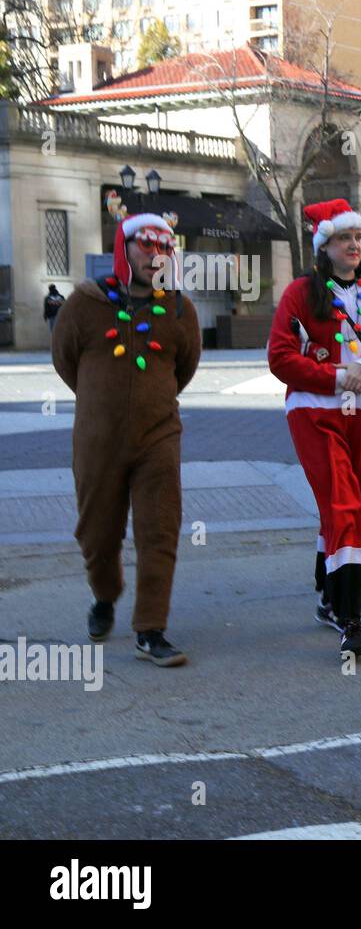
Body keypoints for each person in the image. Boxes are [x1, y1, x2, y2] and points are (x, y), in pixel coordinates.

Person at [267, 199, 361, 660]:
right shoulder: (299, 294)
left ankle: (327, 595)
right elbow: (280, 356)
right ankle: (351, 618)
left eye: (357, 237)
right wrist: (332, 376)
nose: (353, 244)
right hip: (315, 410)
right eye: (343, 238)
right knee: (344, 504)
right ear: (323, 245)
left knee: (357, 505)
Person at [52, 213, 200, 666]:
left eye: (163, 248)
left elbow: (185, 367)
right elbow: (65, 359)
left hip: (158, 436)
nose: (155, 255)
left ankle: (150, 630)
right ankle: (105, 595)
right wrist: (101, 401)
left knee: (159, 530)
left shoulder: (178, 308)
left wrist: (151, 401)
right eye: (145, 246)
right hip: (97, 441)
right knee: (98, 535)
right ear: (124, 248)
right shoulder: (84, 303)